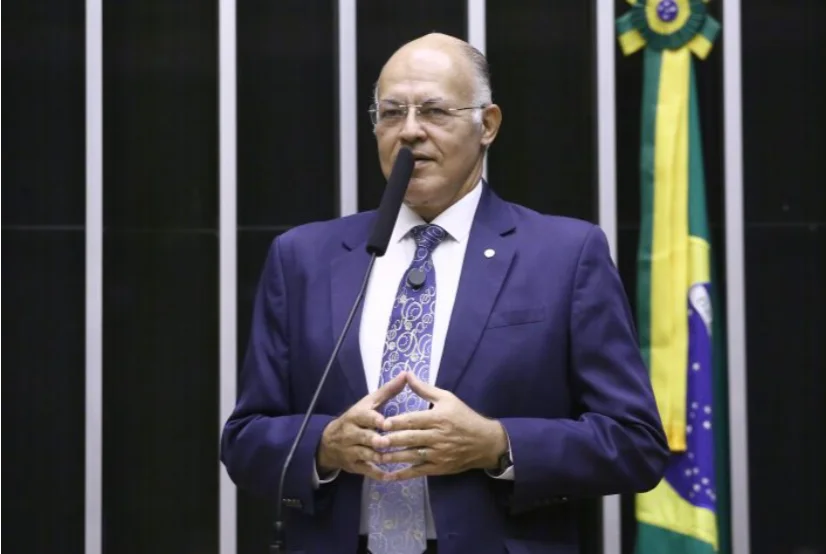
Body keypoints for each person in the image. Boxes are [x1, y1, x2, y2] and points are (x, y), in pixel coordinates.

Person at [220, 32, 669, 554]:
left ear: (488, 125)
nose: (409, 131)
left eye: (434, 111)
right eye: (391, 114)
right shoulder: (305, 257)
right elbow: (246, 440)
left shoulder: (564, 255)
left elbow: (636, 443)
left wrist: (497, 444)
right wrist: (323, 446)